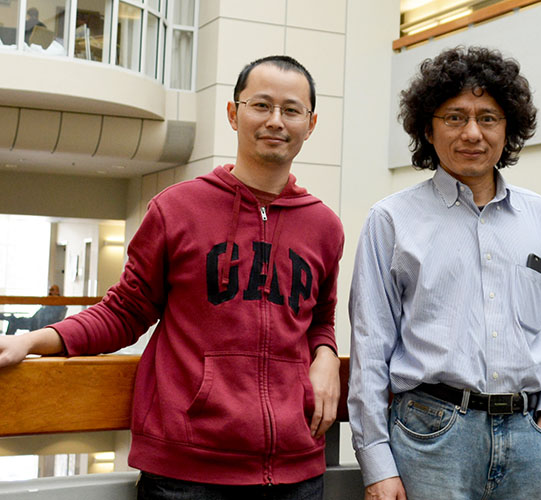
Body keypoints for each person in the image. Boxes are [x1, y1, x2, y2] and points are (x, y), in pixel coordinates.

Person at [0, 55, 344, 500]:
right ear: (233, 113)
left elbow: (321, 318)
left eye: (291, 110)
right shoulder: (176, 209)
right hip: (186, 473)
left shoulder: (324, 226)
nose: (276, 121)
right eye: (261, 105)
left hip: (294, 474)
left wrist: (325, 353)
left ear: (310, 123)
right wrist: (33, 340)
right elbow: (126, 310)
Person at [348, 46, 541, 500]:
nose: (472, 132)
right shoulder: (391, 220)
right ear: (428, 130)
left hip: (528, 438)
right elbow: (371, 348)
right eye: (455, 117)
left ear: (508, 127)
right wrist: (376, 462)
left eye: (488, 117)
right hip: (429, 437)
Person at [2, 285, 66, 335]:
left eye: (52, 290)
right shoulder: (48, 303)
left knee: (14, 321)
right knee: (13, 320)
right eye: (49, 290)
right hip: (33, 321)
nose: (49, 292)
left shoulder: (59, 305)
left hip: (37, 326)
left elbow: (49, 319)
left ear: (57, 292)